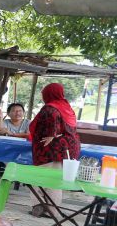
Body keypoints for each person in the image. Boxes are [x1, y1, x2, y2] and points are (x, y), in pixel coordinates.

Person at [28, 83, 81, 217]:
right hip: (68, 149)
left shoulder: (50, 108)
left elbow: (52, 122)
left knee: (39, 177)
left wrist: (51, 134)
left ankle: (39, 207)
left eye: (44, 93)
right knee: (55, 180)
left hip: (51, 149)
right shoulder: (67, 107)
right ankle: (52, 210)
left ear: (49, 94)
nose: (42, 96)